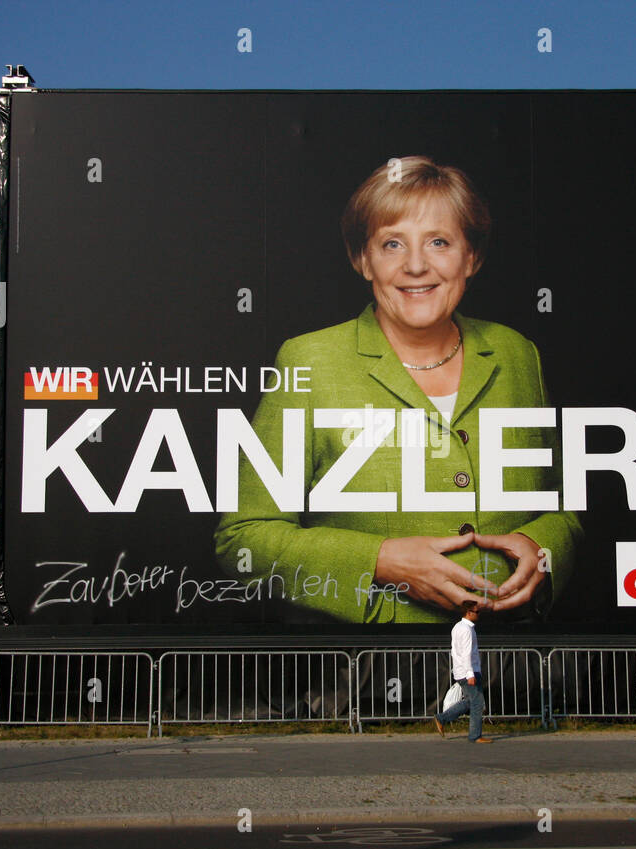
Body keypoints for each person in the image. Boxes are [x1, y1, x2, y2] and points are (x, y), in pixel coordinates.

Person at [213, 156, 582, 623]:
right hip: (371, 675)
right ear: (362, 258)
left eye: (439, 242)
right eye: (392, 244)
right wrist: (378, 561)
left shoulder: (515, 353)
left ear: (472, 256)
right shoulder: (309, 360)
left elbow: (566, 505)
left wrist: (541, 549)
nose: (415, 265)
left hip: (513, 674)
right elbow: (243, 537)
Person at [434, 602, 490, 743]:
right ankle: (475, 736)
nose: (478, 615)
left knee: (471, 701)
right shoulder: (466, 630)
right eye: (477, 612)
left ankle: (442, 718)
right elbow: (466, 654)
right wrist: (470, 674)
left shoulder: (458, 627)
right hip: (468, 672)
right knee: (477, 703)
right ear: (468, 612)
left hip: (462, 671)